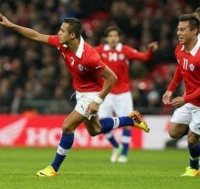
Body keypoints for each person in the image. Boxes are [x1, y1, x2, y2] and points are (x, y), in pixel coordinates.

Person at [0, 14, 150, 177]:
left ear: (72, 35)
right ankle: (131, 119)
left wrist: (98, 100)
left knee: (67, 126)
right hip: (81, 93)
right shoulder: (61, 43)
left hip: (92, 94)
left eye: (62, 30)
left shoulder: (89, 57)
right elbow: (36, 36)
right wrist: (11, 25)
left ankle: (53, 168)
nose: (59, 33)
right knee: (95, 129)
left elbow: (112, 77)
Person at [95, 26, 158, 163]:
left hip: (123, 93)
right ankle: (116, 146)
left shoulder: (125, 50)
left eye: (115, 36)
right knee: (100, 125)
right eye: (110, 36)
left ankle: (124, 153)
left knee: (128, 122)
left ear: (119, 38)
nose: (113, 38)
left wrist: (150, 50)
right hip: (106, 93)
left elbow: (144, 57)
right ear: (106, 38)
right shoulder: (99, 51)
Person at [162, 13, 200, 177]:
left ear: (194, 32)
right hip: (191, 100)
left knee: (191, 139)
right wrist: (170, 89)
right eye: (178, 29)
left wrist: (185, 98)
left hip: (196, 102)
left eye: (183, 29)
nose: (179, 33)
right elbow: (180, 69)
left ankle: (193, 168)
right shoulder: (179, 49)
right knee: (174, 132)